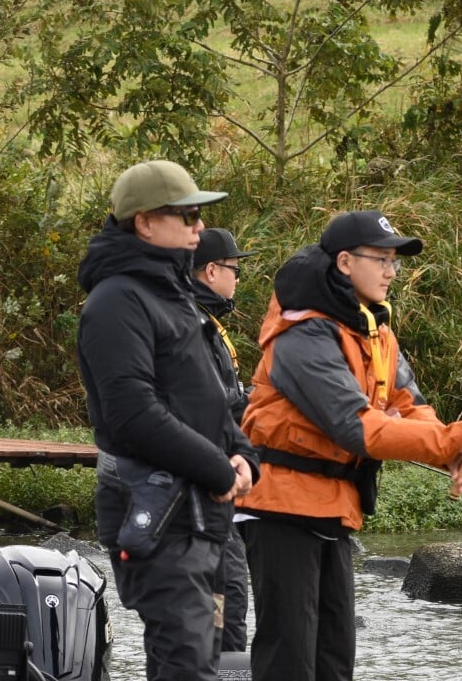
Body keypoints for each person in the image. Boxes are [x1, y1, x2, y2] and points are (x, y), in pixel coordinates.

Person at [237, 210, 462, 681]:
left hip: (334, 507)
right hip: (281, 509)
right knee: (289, 657)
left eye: (395, 261)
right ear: (345, 263)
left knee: (335, 659)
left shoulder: (373, 328)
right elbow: (357, 428)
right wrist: (448, 440)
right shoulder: (302, 334)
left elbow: (409, 404)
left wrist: (460, 451)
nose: (392, 272)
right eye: (382, 259)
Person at [76, 159, 259, 681]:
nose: (199, 227)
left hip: (204, 514)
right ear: (145, 222)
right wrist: (219, 470)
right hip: (154, 509)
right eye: (187, 215)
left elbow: (218, 398)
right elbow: (132, 414)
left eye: (199, 215)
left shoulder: (178, 297)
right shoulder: (115, 302)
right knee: (185, 663)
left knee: (212, 655)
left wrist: (245, 456)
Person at [192, 227, 258, 653]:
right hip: (208, 489)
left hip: (218, 480)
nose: (238, 279)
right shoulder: (193, 323)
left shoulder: (206, 320)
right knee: (227, 602)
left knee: (226, 602)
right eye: (235, 269)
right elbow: (207, 404)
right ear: (211, 271)